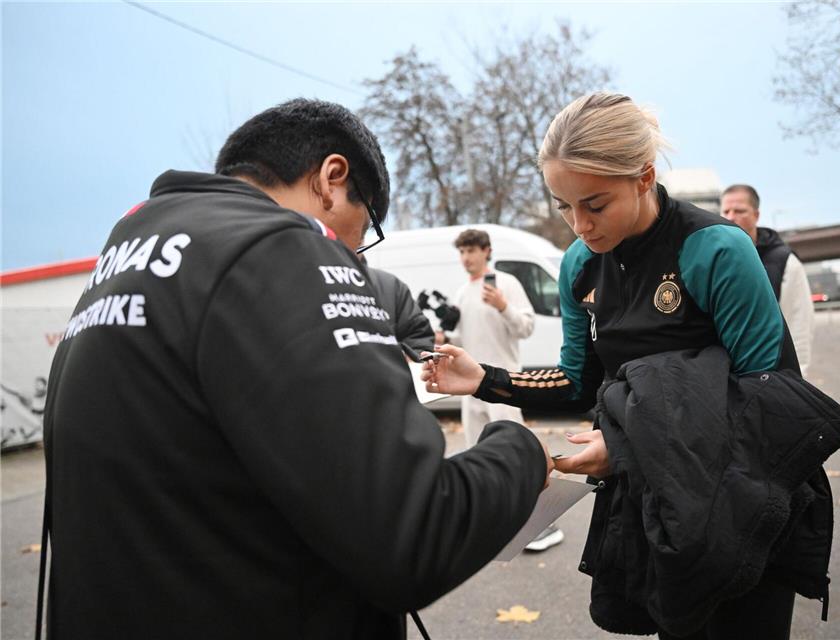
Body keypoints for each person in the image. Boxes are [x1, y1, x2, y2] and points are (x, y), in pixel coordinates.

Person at [40, 98, 552, 640]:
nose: (357, 251)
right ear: (332, 179)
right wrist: (520, 452)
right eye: (367, 225)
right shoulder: (283, 248)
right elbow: (412, 531)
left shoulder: (131, 253)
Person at [424, 92, 839, 639]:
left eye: (595, 205)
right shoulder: (579, 266)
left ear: (643, 177)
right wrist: (485, 380)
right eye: (563, 206)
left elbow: (769, 399)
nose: (579, 225)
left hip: (744, 497)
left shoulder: (716, 249)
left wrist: (625, 445)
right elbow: (581, 382)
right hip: (657, 500)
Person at [438, 229, 536, 447]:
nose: (465, 257)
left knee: (511, 447)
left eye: (471, 250)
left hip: (503, 380)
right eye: (462, 251)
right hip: (470, 384)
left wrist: (503, 306)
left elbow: (526, 328)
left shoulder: (507, 283)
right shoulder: (462, 292)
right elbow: (463, 341)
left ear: (487, 251)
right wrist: (443, 340)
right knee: (476, 450)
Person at [721, 184, 815, 377]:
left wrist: (798, 379)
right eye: (726, 211)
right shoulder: (715, 260)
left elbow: (799, 324)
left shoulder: (785, 262)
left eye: (739, 211)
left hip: (773, 378)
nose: (731, 217)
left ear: (756, 215)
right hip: (725, 379)